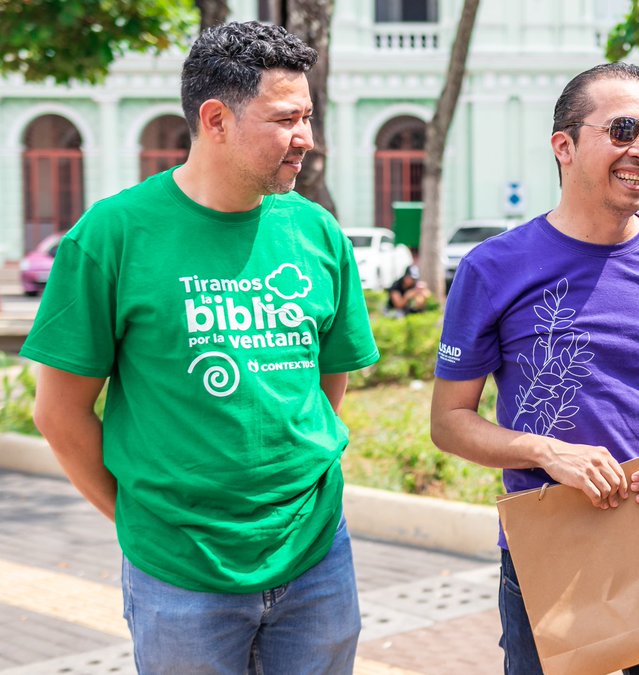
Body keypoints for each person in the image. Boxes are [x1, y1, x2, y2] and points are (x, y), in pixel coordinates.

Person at [22, 21, 378, 673]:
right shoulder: (113, 234)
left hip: (317, 557)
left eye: (307, 116)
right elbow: (59, 410)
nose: (308, 139)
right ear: (216, 119)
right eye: (287, 119)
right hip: (179, 577)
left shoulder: (317, 231)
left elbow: (327, 384)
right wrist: (140, 519)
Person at [430, 62, 639, 673]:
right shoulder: (493, 267)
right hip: (552, 552)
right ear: (563, 146)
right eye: (623, 131)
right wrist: (547, 452)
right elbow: (449, 422)